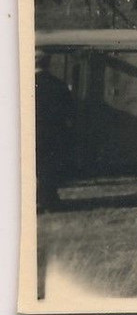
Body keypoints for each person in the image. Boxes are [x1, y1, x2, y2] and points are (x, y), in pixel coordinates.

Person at [34, 51, 74, 211]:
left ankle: (35, 200)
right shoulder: (58, 85)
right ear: (48, 63)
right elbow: (68, 109)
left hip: (31, 132)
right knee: (49, 168)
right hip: (53, 132)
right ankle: (48, 199)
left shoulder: (23, 84)